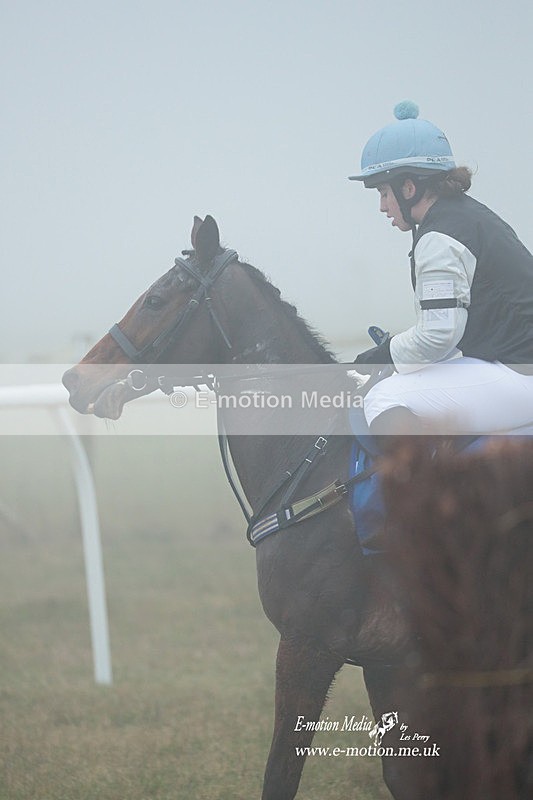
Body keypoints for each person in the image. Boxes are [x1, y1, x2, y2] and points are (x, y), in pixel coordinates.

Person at [350, 101, 533, 437]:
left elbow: (439, 335)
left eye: (383, 192)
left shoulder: (440, 237)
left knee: (381, 398)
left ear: (409, 187)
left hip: (522, 376)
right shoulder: (467, 215)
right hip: (516, 364)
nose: (382, 206)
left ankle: (426, 490)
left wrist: (383, 354)